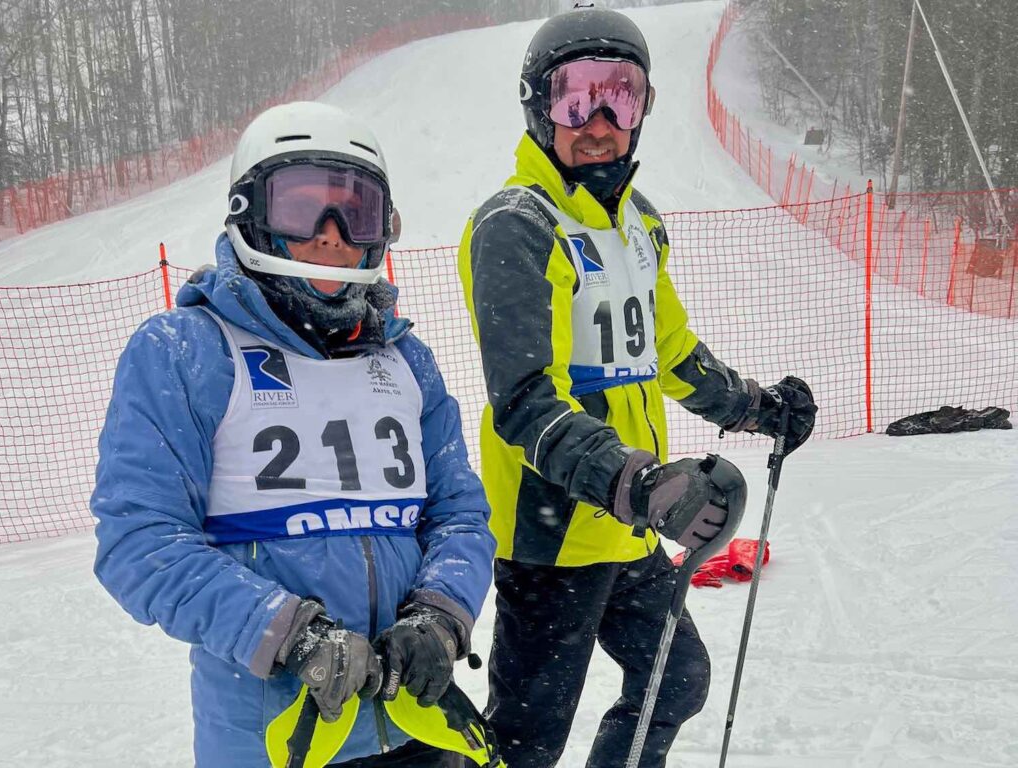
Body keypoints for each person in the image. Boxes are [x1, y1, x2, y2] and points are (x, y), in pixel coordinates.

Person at [457, 9, 817, 768]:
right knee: (527, 743)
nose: (598, 123)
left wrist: (758, 409)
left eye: (620, 96)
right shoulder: (516, 226)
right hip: (553, 534)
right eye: (575, 98)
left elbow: (673, 354)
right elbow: (526, 401)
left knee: (675, 682)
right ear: (538, 106)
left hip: (628, 525)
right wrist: (637, 483)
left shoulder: (638, 226)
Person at [92, 101, 496, 767]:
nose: (332, 235)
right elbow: (140, 542)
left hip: (414, 728)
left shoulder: (404, 360)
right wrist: (289, 634)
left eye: (356, 213)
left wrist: (440, 614)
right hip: (276, 739)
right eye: (302, 208)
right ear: (251, 212)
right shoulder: (187, 351)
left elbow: (459, 514)